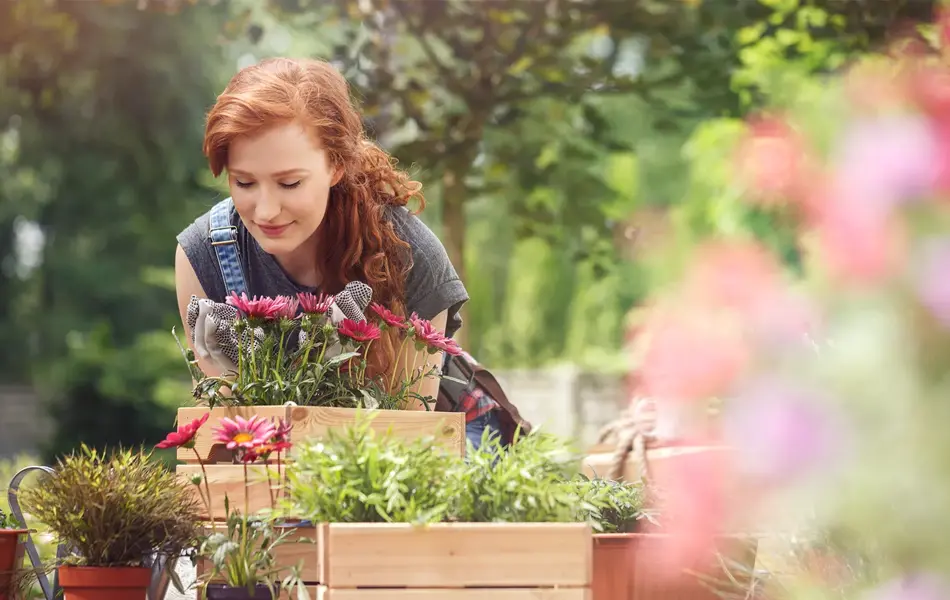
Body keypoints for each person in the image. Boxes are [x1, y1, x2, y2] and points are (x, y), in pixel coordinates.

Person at [174, 57, 468, 409]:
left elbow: (409, 440)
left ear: (336, 165)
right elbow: (228, 436)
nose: (266, 211)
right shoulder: (205, 255)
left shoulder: (411, 257)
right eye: (244, 182)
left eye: (290, 183)